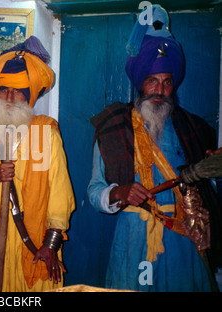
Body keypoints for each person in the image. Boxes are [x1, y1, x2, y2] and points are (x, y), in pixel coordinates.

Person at [87, 5, 221, 291]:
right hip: (133, 237)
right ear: (140, 83)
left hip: (182, 238)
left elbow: (208, 188)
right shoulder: (112, 127)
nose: (160, 91)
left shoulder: (195, 129)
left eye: (166, 82)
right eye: (152, 81)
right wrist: (118, 192)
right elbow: (94, 190)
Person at [0, 36, 75, 292]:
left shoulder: (46, 135)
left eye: (18, 91)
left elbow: (60, 194)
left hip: (31, 242)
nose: (9, 98)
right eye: (3, 90)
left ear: (30, 96)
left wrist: (51, 245)